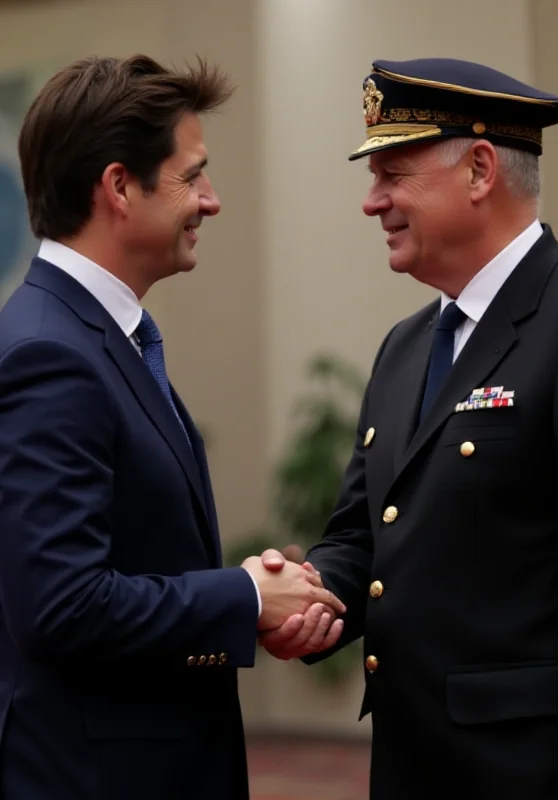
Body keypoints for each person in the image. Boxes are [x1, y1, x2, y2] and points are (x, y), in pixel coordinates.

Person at [0, 53, 345, 800]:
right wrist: (245, 596)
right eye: (192, 177)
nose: (211, 201)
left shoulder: (91, 336)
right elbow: (60, 605)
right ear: (120, 187)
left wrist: (256, 600)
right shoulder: (49, 354)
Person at [260, 58, 558, 798]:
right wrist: (314, 598)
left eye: (393, 174)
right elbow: (362, 534)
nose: (372, 203)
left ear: (480, 170)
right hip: (410, 765)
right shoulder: (406, 346)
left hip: (532, 773)